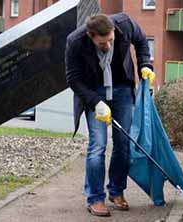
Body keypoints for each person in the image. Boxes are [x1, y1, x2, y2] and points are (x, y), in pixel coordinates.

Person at [65, 13, 155, 217]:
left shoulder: (125, 24)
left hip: (122, 89)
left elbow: (141, 43)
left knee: (123, 143)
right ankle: (95, 198)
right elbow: (73, 79)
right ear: (91, 36)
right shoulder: (75, 41)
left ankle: (116, 191)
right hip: (93, 91)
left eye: (110, 41)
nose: (107, 46)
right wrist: (96, 103)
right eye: (102, 43)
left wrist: (145, 66)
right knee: (98, 145)